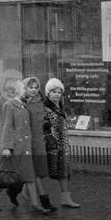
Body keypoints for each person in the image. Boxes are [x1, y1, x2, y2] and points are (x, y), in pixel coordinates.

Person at [0, 79, 53, 214]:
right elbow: (6, 126)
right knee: (6, 175)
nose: (27, 90)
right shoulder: (10, 105)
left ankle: (35, 204)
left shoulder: (23, 105)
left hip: (25, 146)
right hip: (15, 147)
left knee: (29, 175)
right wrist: (6, 147)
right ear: (17, 91)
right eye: (24, 88)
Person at [42, 78, 80, 208]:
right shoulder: (45, 108)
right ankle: (27, 192)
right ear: (48, 93)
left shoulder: (60, 107)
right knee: (42, 172)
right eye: (54, 92)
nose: (57, 94)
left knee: (63, 172)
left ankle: (65, 198)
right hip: (51, 146)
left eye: (59, 92)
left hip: (62, 146)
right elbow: (43, 127)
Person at [23, 76, 56, 211]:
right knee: (35, 173)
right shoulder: (22, 103)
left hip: (39, 140)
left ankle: (21, 192)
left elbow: (43, 121)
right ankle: (43, 200)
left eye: (36, 87)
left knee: (38, 172)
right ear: (25, 88)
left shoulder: (40, 102)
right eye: (31, 87)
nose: (34, 90)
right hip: (27, 141)